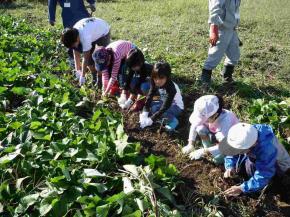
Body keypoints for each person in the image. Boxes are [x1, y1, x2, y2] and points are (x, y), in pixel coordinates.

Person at [219, 123, 290, 197]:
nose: (237, 152)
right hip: (258, 156)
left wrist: (242, 188)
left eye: (240, 150)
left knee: (252, 166)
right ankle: (251, 182)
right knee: (246, 163)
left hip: (277, 166)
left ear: (252, 145)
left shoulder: (267, 150)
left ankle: (266, 188)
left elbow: (264, 174)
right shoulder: (246, 133)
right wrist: (229, 166)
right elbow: (232, 151)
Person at [182, 95, 239, 164]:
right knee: (200, 128)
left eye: (205, 120)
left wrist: (204, 151)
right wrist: (190, 143)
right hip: (216, 133)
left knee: (216, 161)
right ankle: (208, 148)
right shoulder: (207, 114)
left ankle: (210, 152)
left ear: (215, 115)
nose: (204, 121)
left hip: (231, 144)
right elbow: (195, 125)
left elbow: (225, 146)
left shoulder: (226, 122)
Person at [200, 0, 241, 86]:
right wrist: (214, 29)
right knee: (215, 54)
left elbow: (236, 11)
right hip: (221, 28)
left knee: (234, 54)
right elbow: (215, 9)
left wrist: (235, 27)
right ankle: (205, 79)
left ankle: (227, 76)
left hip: (232, 29)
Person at [61, 17, 111, 86]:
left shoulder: (85, 37)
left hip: (103, 31)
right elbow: (76, 52)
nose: (74, 46)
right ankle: (94, 76)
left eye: (73, 44)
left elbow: (85, 58)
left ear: (77, 39)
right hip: (92, 31)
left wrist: (83, 76)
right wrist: (77, 70)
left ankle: (101, 79)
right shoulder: (73, 33)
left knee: (102, 58)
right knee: (90, 60)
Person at [48, 0, 96, 67]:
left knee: (86, 35)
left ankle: (90, 59)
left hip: (80, 12)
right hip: (68, 15)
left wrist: (92, 2)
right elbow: (52, 2)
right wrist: (51, 17)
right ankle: (73, 60)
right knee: (70, 37)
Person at [139, 61, 184, 131]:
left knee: (155, 110)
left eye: (161, 78)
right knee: (151, 106)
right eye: (155, 78)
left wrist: (152, 119)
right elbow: (150, 95)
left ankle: (173, 121)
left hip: (176, 106)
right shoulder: (153, 81)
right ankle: (161, 119)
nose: (157, 81)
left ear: (167, 77)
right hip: (163, 101)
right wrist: (145, 113)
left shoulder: (172, 88)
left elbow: (166, 106)